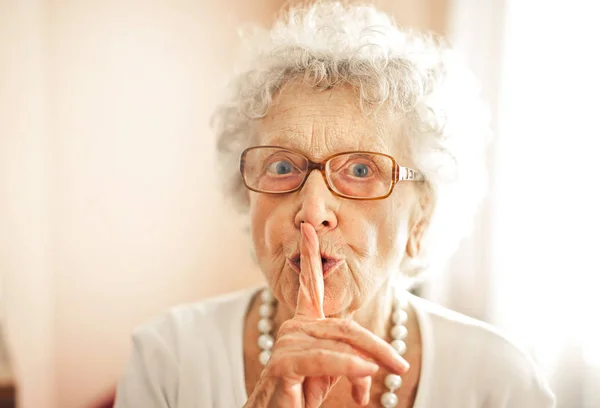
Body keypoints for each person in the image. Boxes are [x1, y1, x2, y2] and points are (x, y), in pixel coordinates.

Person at [114, 2, 555, 407]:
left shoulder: (501, 382)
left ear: (420, 217)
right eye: (283, 166)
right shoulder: (167, 358)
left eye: (361, 170)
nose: (312, 209)